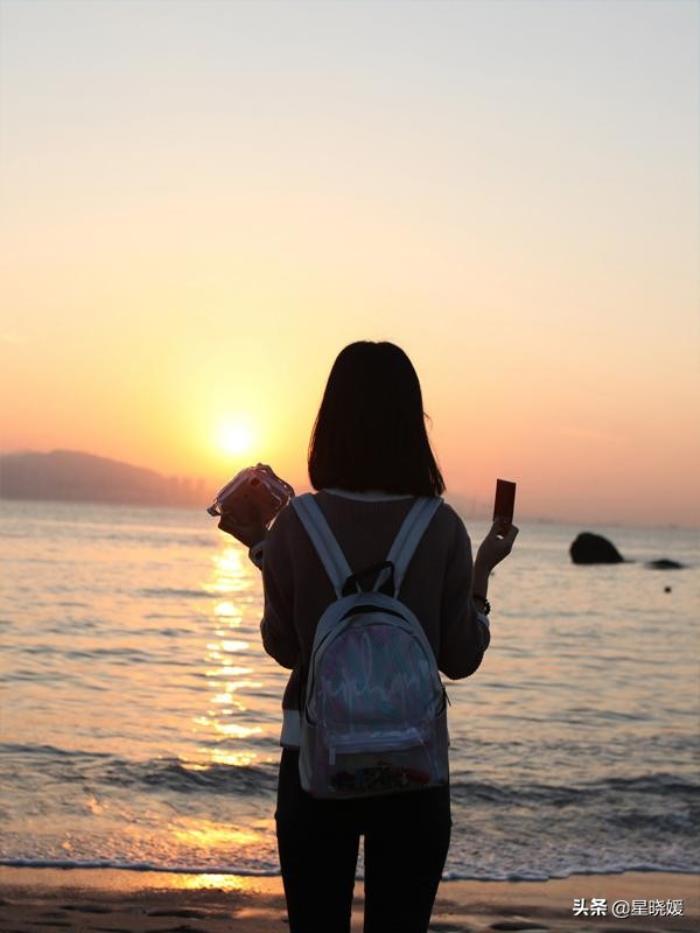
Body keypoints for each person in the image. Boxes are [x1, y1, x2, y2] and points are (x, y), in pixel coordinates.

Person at [218, 340, 518, 933]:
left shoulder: (297, 522)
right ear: (413, 423)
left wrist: (264, 550)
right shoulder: (441, 525)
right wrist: (482, 573)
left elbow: (285, 648)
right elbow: (460, 658)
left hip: (313, 763)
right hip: (414, 767)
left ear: (329, 421)